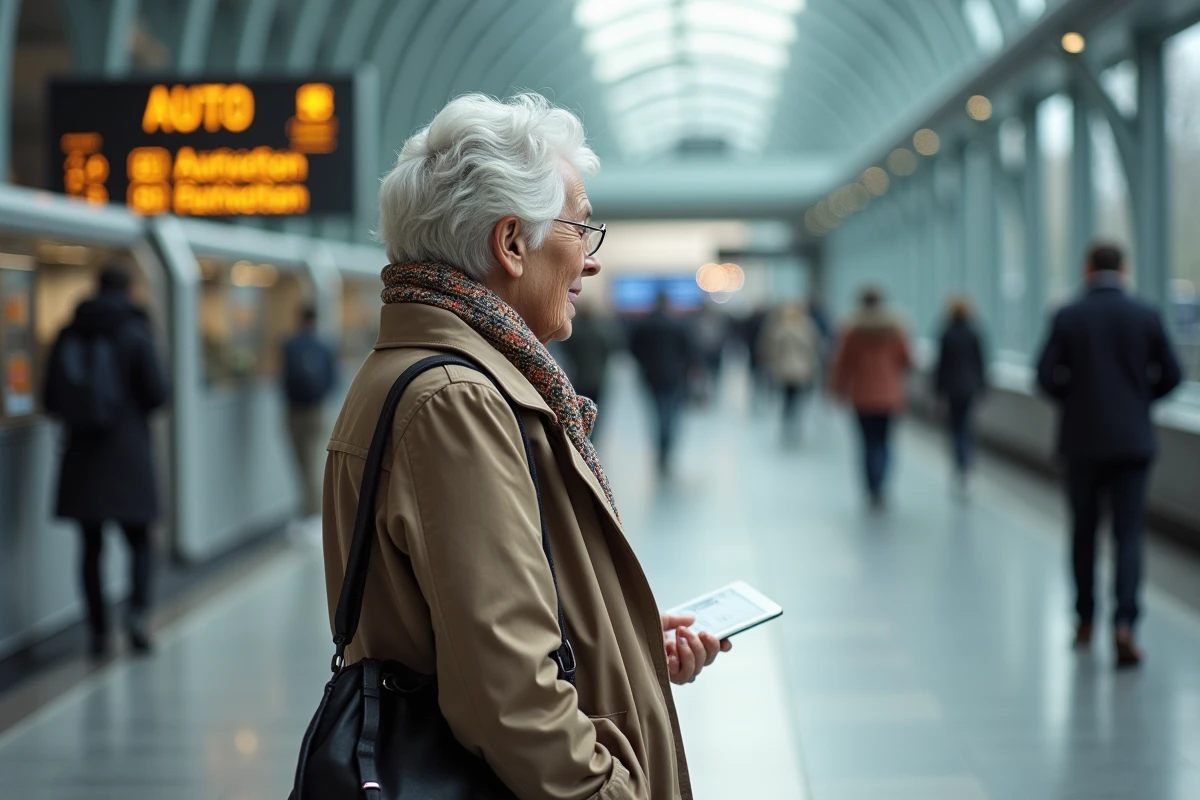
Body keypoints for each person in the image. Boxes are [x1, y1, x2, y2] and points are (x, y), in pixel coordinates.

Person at [325, 93, 729, 799]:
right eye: (580, 230)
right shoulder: (458, 400)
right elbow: (509, 695)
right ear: (511, 243)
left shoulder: (425, 372)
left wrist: (623, 644)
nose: (592, 263)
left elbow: (476, 623)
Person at [1036, 243, 1182, 668]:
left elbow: (1044, 376)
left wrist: (1076, 399)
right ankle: (1125, 624)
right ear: (1124, 269)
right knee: (1129, 534)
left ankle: (1085, 620)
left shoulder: (1068, 315)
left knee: (1083, 532)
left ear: (1086, 268)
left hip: (1081, 441)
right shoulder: (1146, 314)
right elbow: (1172, 375)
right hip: (1133, 442)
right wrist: (1140, 400)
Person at [43, 265, 169, 656]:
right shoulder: (134, 331)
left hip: (82, 456)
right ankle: (136, 617)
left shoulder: (68, 332)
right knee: (140, 541)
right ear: (129, 290)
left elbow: (49, 398)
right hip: (127, 453)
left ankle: (98, 630)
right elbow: (158, 393)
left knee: (91, 545)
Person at [829, 286, 912, 509]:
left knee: (866, 443)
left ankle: (871, 486)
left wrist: (838, 389)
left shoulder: (852, 330)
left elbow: (843, 363)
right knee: (885, 442)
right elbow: (906, 360)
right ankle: (882, 482)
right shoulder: (896, 329)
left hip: (862, 395)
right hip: (889, 395)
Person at [630, 291, 696, 474]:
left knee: (658, 412)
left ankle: (661, 448)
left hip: (651, 376)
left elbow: (633, 348)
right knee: (670, 413)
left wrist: (645, 363)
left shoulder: (644, 325)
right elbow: (689, 351)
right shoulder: (677, 324)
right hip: (674, 377)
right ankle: (666, 448)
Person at [281, 305, 337, 520]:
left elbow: (283, 379)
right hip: (318, 411)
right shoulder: (325, 346)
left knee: (302, 464)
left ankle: (312, 513)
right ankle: (315, 514)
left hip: (295, 411)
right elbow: (333, 380)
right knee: (315, 463)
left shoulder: (290, 345)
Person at [933, 295, 987, 491]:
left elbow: (941, 365)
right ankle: (966, 463)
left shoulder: (946, 333)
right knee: (967, 425)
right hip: (970, 387)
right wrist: (983, 387)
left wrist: (938, 392)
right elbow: (981, 362)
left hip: (952, 388)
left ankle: (960, 463)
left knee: (955, 427)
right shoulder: (974, 333)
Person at [758, 301, 820, 442]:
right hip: (800, 368)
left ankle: (788, 420)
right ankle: (793, 420)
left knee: (788, 397)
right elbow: (813, 349)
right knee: (796, 396)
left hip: (784, 368)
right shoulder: (807, 328)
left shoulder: (778, 328)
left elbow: (771, 349)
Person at [558, 301, 620, 438]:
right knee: (595, 412)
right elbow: (609, 352)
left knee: (578, 411)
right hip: (597, 378)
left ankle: (582, 437)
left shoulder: (575, 334)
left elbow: (568, 353)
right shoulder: (600, 333)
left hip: (579, 378)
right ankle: (591, 439)